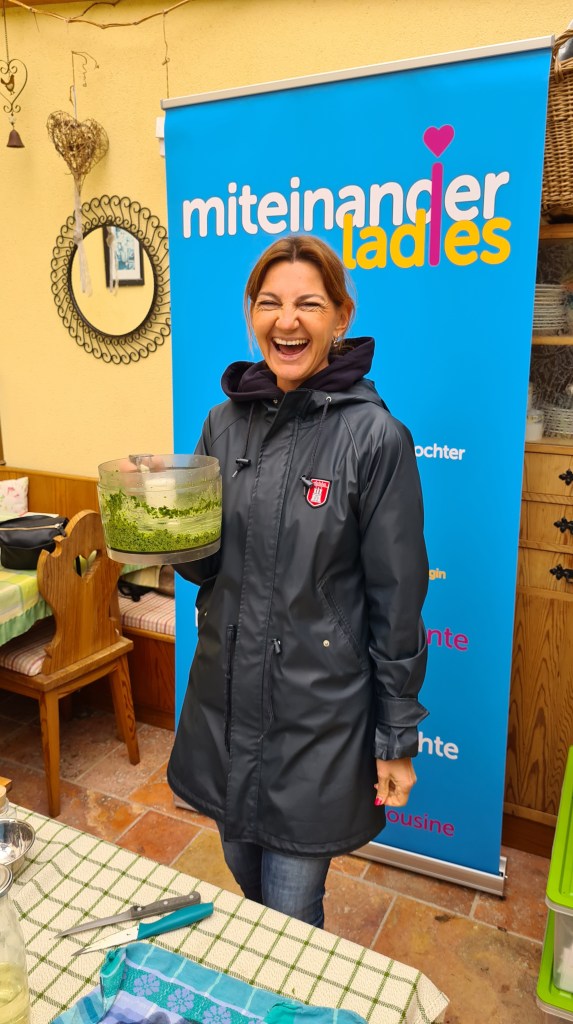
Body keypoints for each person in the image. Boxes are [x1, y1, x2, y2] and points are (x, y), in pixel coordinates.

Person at [168, 234, 429, 928]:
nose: (287, 320)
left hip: (317, 719)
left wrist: (395, 738)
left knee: (289, 912)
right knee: (242, 870)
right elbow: (203, 567)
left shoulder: (375, 438)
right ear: (251, 314)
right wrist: (162, 529)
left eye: (308, 304)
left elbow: (397, 601)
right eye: (270, 303)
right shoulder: (222, 424)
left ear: (341, 316)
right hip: (225, 705)